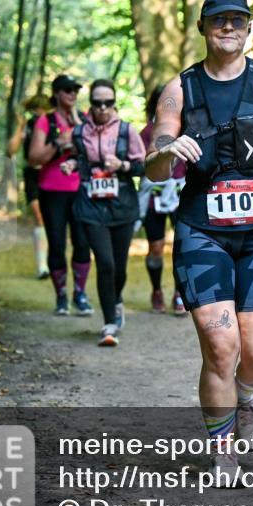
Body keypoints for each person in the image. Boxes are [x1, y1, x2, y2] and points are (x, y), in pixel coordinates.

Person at [144, 0, 253, 482]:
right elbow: (153, 167)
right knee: (220, 348)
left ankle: (247, 394)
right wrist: (168, 150)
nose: (229, 28)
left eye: (238, 20)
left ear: (248, 28)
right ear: (203, 27)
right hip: (203, 233)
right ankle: (223, 454)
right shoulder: (179, 91)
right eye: (219, 20)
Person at [60, 79, 146, 346]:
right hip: (90, 205)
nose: (103, 108)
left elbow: (143, 166)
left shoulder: (126, 131)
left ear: (114, 103)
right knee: (105, 263)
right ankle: (109, 324)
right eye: (97, 103)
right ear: (91, 105)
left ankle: (116, 300)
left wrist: (122, 165)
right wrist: (71, 164)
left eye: (108, 103)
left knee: (119, 268)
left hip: (122, 205)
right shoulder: (78, 132)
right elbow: (78, 157)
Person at [27, 74, 94, 317]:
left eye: (75, 89)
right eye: (67, 90)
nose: (72, 94)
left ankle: (80, 294)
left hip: (81, 190)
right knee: (56, 244)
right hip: (52, 191)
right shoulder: (46, 121)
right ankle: (61, 297)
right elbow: (33, 159)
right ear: (56, 93)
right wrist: (59, 142)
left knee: (83, 243)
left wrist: (79, 136)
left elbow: (97, 151)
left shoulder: (85, 119)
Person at [138, 85, 187, 315]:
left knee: (184, 246)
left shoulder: (187, 129)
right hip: (154, 197)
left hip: (181, 195)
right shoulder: (147, 132)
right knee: (156, 247)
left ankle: (180, 293)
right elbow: (139, 163)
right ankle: (156, 290)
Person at [6, 93, 52, 279]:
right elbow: (11, 150)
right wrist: (20, 126)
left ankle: (52, 260)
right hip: (32, 174)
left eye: (42, 111)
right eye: (35, 112)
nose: (39, 115)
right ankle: (42, 266)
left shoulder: (54, 125)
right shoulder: (29, 125)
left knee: (52, 220)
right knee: (39, 216)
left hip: (52, 175)